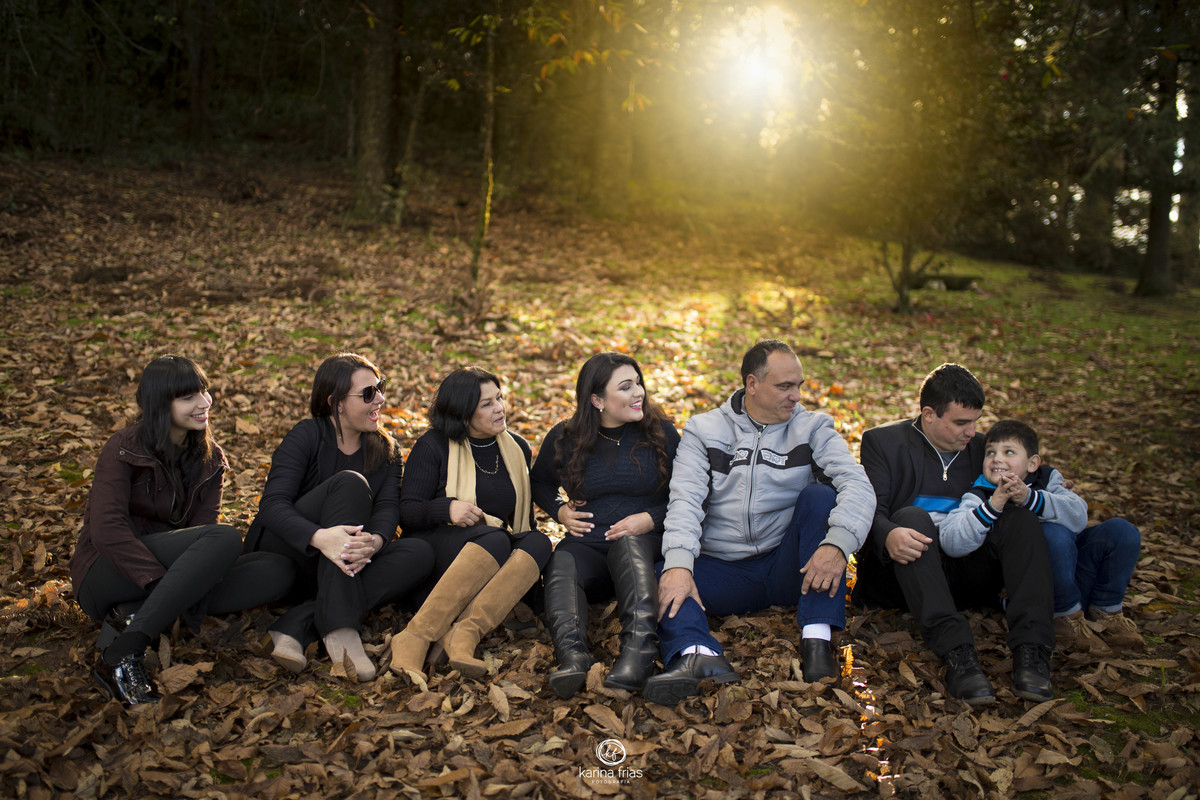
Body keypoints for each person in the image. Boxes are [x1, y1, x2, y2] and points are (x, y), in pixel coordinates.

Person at [641, 340, 876, 705]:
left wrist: (837, 545)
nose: (796, 396)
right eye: (785, 386)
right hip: (725, 571)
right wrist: (679, 566)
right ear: (752, 384)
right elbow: (686, 501)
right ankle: (698, 655)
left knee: (819, 497)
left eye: (798, 385)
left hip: (792, 569)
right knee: (661, 574)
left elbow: (858, 486)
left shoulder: (813, 428)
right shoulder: (705, 430)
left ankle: (817, 641)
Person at [71, 355, 294, 705]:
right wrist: (163, 584)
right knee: (225, 537)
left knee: (276, 568)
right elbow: (106, 530)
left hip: (170, 573)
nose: (204, 402)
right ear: (160, 404)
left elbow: (202, 534)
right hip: (104, 571)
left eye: (204, 391)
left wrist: (179, 586)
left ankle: (136, 612)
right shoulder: (124, 447)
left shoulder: (210, 458)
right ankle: (124, 649)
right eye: (189, 396)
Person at [854, 364, 1056, 706]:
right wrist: (887, 534)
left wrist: (1054, 483)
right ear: (929, 415)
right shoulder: (884, 443)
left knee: (1019, 517)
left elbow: (1030, 470)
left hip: (967, 570)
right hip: (903, 572)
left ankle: (1032, 649)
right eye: (962, 422)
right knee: (911, 517)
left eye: (976, 421)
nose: (972, 432)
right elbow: (866, 509)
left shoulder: (982, 449)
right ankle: (958, 654)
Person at [245, 353, 435, 681]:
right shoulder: (306, 436)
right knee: (350, 484)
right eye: (368, 393)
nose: (380, 399)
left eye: (380, 388)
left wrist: (375, 542)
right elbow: (272, 506)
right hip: (291, 552)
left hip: (343, 565)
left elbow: (388, 508)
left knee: (420, 552)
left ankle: (297, 624)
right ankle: (340, 629)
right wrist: (321, 538)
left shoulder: (386, 449)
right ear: (336, 403)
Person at [531, 353, 682, 698]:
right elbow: (539, 482)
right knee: (562, 560)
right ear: (597, 400)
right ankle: (572, 657)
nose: (638, 392)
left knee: (628, 546)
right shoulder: (565, 438)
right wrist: (560, 511)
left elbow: (693, 493)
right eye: (625, 387)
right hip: (590, 545)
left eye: (638, 383)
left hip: (645, 545)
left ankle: (639, 654)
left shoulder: (661, 433)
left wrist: (651, 518)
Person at [390, 367, 552, 680]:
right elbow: (407, 512)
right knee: (495, 538)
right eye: (487, 404)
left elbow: (524, 522)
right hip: (438, 556)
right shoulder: (433, 446)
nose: (500, 408)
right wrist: (446, 508)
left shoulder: (516, 447)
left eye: (499, 398)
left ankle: (464, 633)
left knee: (537, 541)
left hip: (488, 555)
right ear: (463, 413)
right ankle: (415, 635)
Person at [939, 419, 1142, 650]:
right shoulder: (980, 493)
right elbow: (952, 542)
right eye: (990, 452)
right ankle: (1065, 620)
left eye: (1008, 452)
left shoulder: (1048, 479)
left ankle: (1106, 610)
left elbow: (1078, 518)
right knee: (1053, 533)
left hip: (1071, 577)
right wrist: (992, 506)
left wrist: (1030, 498)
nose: (997, 458)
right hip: (1041, 597)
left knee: (1122, 531)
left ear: (1033, 463)